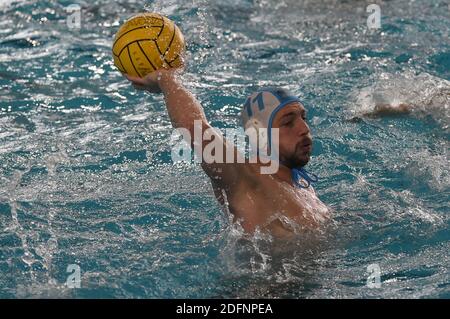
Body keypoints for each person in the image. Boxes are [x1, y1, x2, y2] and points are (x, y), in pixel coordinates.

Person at [125, 68, 330, 236]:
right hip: (268, 287)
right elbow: (195, 128)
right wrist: (166, 78)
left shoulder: (302, 187)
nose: (304, 128)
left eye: (303, 117)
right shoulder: (247, 178)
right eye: (288, 122)